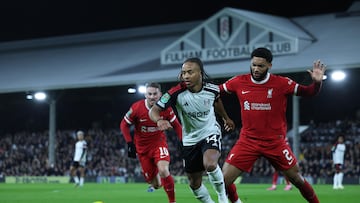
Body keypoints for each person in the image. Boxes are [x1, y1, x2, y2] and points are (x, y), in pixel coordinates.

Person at [220, 47, 326, 203]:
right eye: (253, 65)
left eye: (260, 66)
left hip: (275, 142)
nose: (256, 69)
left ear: (269, 65)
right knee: (223, 181)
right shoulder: (238, 81)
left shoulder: (281, 83)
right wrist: (225, 117)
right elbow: (215, 92)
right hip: (248, 141)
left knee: (297, 179)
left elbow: (309, 92)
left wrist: (316, 84)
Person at [149, 57, 237, 203]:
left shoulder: (212, 89)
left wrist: (225, 118)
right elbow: (154, 111)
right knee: (194, 184)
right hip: (190, 139)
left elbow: (216, 101)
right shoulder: (175, 93)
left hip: (210, 131)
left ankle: (222, 198)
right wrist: (159, 120)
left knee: (210, 164)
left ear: (200, 73)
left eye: (190, 72)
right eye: (184, 73)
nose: (186, 76)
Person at [120, 82, 182, 203]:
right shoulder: (137, 108)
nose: (152, 96)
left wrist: (182, 142)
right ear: (145, 94)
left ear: (160, 94)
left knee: (164, 170)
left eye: (155, 94)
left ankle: (172, 201)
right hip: (142, 150)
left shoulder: (166, 108)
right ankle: (156, 181)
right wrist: (129, 143)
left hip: (159, 144)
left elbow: (177, 126)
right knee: (156, 184)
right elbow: (123, 124)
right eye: (149, 94)